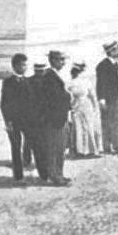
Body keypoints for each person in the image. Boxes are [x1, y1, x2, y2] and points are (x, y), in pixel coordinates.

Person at [29, 51, 73, 184]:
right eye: (61, 60)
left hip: (59, 118)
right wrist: (67, 96)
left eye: (64, 60)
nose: (63, 63)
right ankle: (54, 176)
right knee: (53, 149)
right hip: (53, 120)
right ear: (52, 60)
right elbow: (53, 98)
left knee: (60, 149)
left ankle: (59, 173)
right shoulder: (49, 76)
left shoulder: (54, 75)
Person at [0, 55, 35, 182]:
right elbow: (4, 103)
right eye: (21, 65)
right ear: (14, 66)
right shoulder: (8, 82)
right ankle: (18, 176)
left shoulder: (28, 81)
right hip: (14, 121)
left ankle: (27, 161)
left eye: (25, 65)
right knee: (15, 147)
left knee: (30, 142)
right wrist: (7, 121)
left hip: (27, 120)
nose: (24, 67)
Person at [94, 42, 118, 154]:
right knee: (108, 121)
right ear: (111, 52)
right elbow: (101, 83)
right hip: (109, 98)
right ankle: (108, 145)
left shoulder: (116, 65)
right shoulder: (102, 66)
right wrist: (101, 98)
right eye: (117, 50)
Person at [67, 62, 102, 159]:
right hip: (78, 105)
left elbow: (93, 95)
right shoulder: (71, 83)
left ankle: (88, 150)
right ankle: (81, 150)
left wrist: (95, 107)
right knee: (80, 127)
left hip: (85, 105)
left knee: (86, 127)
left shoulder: (85, 82)